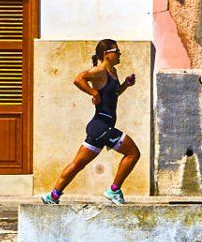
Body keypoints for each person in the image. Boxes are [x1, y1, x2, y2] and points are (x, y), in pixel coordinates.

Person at [42, 39, 139, 206]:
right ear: (106, 54)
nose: (120, 54)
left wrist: (125, 85)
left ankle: (53, 196)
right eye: (117, 51)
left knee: (77, 164)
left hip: (100, 127)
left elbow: (114, 94)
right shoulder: (99, 71)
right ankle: (114, 190)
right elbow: (78, 79)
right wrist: (93, 92)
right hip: (101, 126)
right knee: (133, 153)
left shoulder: (113, 72)